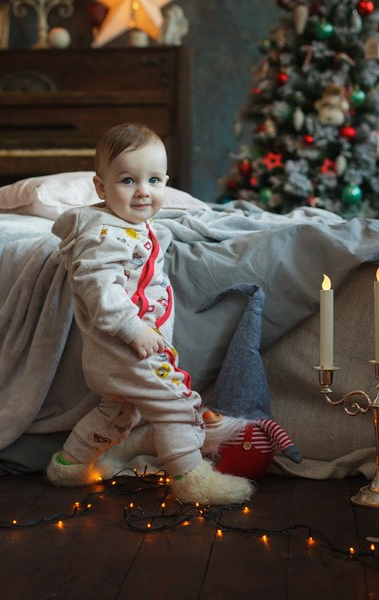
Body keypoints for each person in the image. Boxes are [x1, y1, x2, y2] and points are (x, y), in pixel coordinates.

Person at [45, 122, 253, 505]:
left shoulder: (131, 226)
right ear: (101, 188)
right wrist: (132, 329)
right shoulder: (103, 237)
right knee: (176, 404)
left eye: (154, 180)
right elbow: (99, 289)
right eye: (127, 180)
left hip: (115, 359)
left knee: (117, 414)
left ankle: (70, 465)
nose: (143, 191)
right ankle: (192, 480)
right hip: (126, 350)